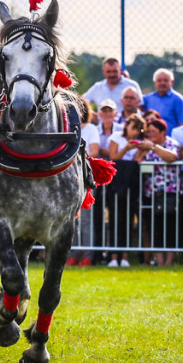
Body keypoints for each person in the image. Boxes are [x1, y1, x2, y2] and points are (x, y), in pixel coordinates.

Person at [106, 114, 147, 267]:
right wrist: (126, 148)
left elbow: (137, 161)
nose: (135, 132)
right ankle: (113, 256)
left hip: (131, 183)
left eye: (139, 129)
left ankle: (125, 256)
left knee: (128, 219)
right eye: (133, 128)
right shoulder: (116, 136)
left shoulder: (140, 142)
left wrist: (140, 151)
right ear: (126, 126)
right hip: (116, 184)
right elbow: (113, 157)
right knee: (115, 218)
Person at [141, 119, 182, 267]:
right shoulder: (146, 146)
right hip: (151, 192)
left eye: (153, 132)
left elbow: (172, 157)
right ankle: (160, 262)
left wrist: (153, 147)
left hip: (170, 192)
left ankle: (169, 263)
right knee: (155, 229)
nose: (150, 134)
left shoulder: (171, 143)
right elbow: (137, 160)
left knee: (170, 228)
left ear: (163, 132)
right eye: (148, 132)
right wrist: (143, 149)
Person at [67, 99, 100, 267]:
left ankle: (88, 254)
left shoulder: (91, 129)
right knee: (70, 219)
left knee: (86, 220)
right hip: (68, 180)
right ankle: (72, 253)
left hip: (85, 178)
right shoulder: (65, 127)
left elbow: (94, 151)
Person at [141, 68, 183, 133]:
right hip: (150, 138)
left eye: (165, 80)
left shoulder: (178, 100)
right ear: (154, 83)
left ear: (172, 82)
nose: (162, 83)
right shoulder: (147, 99)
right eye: (159, 80)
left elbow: (182, 124)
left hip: (169, 139)